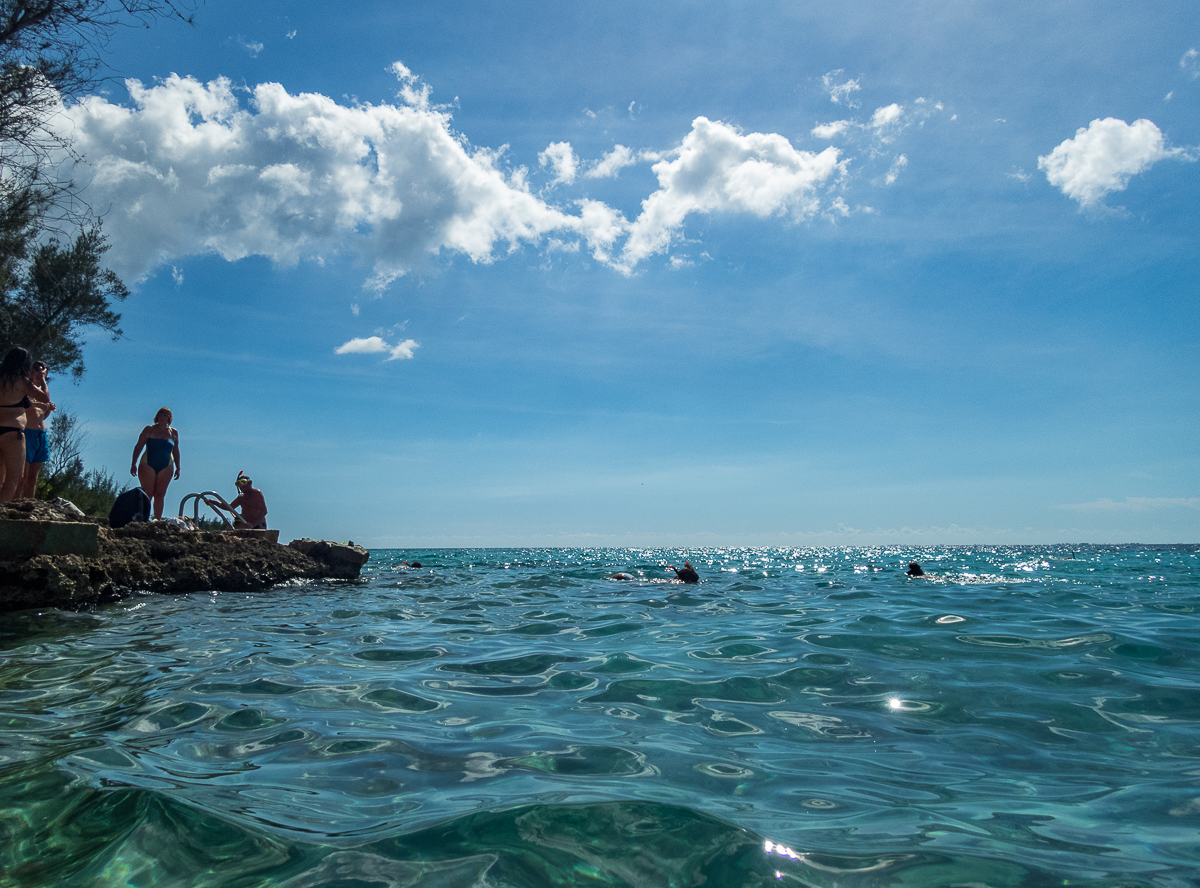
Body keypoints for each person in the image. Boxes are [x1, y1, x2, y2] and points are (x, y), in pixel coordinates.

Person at [0, 348, 51, 503]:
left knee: (0, 476)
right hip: (12, 431)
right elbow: (44, 397)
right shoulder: (22, 381)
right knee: (14, 477)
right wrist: (40, 379)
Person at [131, 407, 180, 519]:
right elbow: (139, 446)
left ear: (169, 418)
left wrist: (178, 467)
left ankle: (157, 520)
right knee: (148, 493)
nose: (162, 417)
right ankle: (144, 518)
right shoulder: (149, 429)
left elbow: (176, 450)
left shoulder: (173, 432)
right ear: (157, 417)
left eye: (164, 415)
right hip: (148, 463)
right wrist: (133, 463)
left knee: (160, 494)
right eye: (160, 415)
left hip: (166, 465)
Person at [20, 361, 54, 499]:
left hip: (41, 433)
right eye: (38, 373)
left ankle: (29, 503)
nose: (41, 375)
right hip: (27, 432)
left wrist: (48, 408)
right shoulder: (27, 388)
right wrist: (42, 404)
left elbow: (43, 415)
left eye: (43, 372)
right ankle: (15, 502)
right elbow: (26, 406)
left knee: (32, 478)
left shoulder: (44, 390)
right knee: (23, 475)